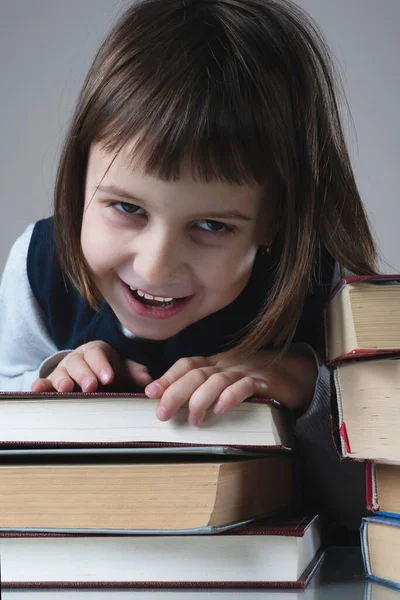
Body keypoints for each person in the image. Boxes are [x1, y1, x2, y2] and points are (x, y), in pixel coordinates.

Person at [0, 0, 377, 534]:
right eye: (127, 208)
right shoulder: (39, 270)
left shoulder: (325, 294)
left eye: (213, 226)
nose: (155, 268)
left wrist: (305, 385)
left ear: (274, 222)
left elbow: (368, 511)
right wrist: (53, 378)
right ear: (80, 177)